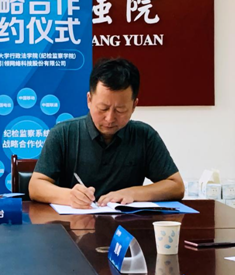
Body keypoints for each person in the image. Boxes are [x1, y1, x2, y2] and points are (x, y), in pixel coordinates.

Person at [29, 58, 184, 209]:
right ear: (89, 100)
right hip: (73, 223)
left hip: (127, 224)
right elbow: (36, 186)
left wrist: (133, 193)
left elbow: (176, 186)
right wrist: (70, 196)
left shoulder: (144, 136)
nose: (110, 118)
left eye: (120, 110)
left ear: (134, 105)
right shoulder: (63, 133)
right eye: (103, 108)